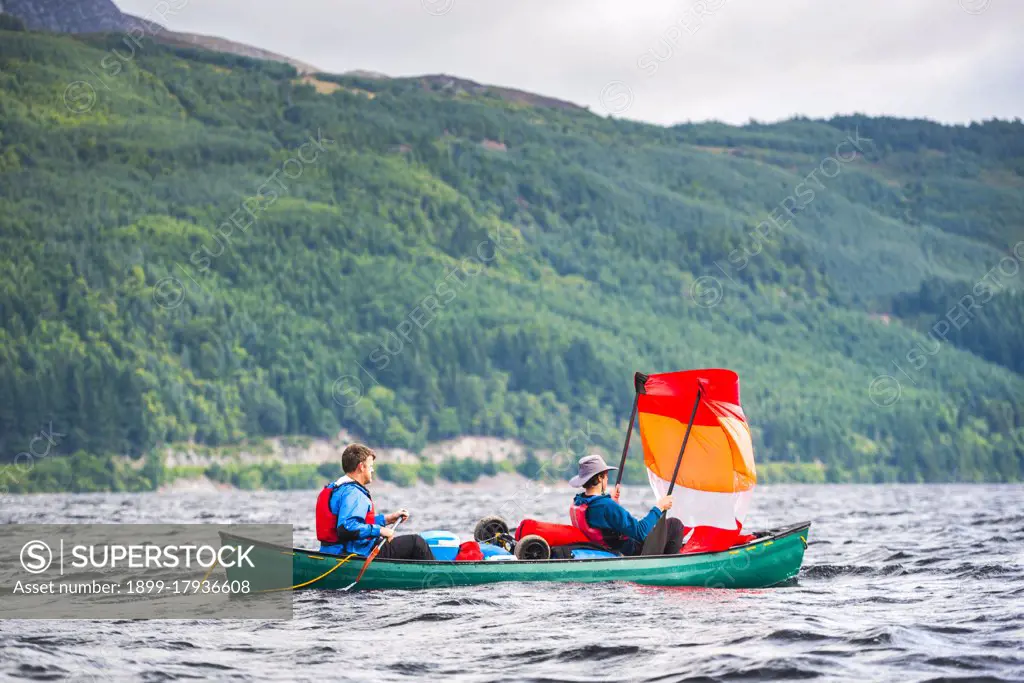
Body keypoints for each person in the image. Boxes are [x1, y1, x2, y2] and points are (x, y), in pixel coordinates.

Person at [316, 443, 434, 560]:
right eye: (370, 466)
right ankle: (438, 578)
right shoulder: (353, 493)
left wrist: (387, 519)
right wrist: (380, 530)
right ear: (361, 467)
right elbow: (346, 528)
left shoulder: (339, 488)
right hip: (354, 552)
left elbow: (359, 522)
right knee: (416, 542)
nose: (372, 470)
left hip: (338, 550)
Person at [568, 454, 684, 556]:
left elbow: (600, 519)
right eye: (606, 475)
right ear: (599, 478)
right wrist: (660, 507)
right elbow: (640, 532)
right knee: (674, 524)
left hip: (605, 547)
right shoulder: (606, 506)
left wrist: (612, 502)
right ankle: (666, 565)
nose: (607, 478)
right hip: (630, 550)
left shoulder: (578, 502)